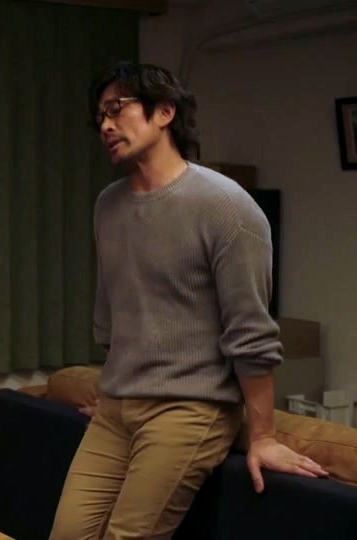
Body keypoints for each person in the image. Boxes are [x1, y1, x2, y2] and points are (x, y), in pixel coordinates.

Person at [50, 62, 328, 539]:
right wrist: (121, 386)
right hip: (117, 407)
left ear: (164, 112)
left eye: (116, 109)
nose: (106, 126)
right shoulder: (108, 205)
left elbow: (252, 335)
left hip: (189, 410)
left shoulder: (226, 206)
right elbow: (111, 313)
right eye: (100, 118)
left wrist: (263, 437)